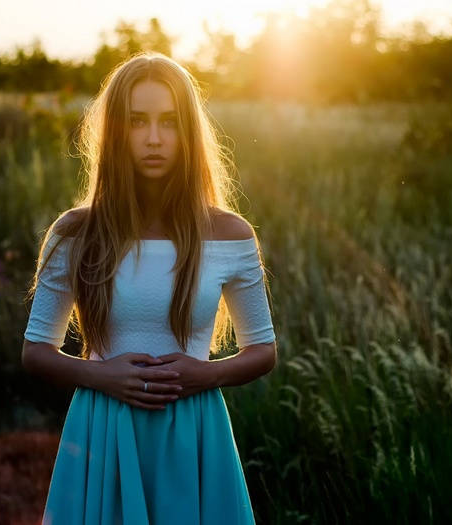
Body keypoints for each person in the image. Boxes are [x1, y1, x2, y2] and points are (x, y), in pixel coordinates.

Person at [22, 52, 277, 525]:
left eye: (170, 122)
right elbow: (36, 350)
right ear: (117, 130)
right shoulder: (76, 233)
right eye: (138, 121)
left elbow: (262, 350)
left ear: (189, 133)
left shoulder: (229, 235)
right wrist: (100, 375)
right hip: (102, 430)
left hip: (194, 433)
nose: (155, 139)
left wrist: (209, 374)